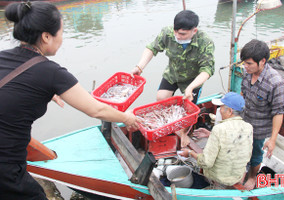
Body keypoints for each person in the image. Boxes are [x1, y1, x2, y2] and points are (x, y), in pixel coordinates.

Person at [0, 2, 139, 199]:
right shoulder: (51, 72)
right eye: (61, 32)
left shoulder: (4, 57)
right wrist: (127, 118)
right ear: (46, 36)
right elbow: (96, 110)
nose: (62, 39)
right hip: (6, 165)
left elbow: (15, 90)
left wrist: (46, 91)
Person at [131, 10, 215, 147]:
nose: (177, 36)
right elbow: (152, 48)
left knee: (188, 110)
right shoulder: (168, 33)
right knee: (161, 98)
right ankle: (167, 125)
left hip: (193, 80)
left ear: (194, 31)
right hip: (173, 74)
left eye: (182, 34)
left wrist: (191, 87)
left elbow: (207, 70)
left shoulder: (205, 42)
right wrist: (139, 67)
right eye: (176, 31)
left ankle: (183, 134)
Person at [240, 39, 284, 190]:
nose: (245, 67)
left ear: (262, 61)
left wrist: (272, 139)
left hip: (260, 128)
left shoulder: (275, 83)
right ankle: (240, 170)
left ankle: (253, 176)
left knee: (256, 154)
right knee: (240, 148)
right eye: (244, 63)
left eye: (249, 63)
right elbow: (243, 94)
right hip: (245, 120)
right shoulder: (246, 73)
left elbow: (278, 112)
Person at [180, 92, 253, 188]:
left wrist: (190, 153)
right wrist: (210, 134)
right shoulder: (248, 127)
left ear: (230, 111)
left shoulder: (219, 129)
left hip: (220, 178)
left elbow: (206, 162)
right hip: (237, 176)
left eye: (221, 108)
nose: (219, 111)